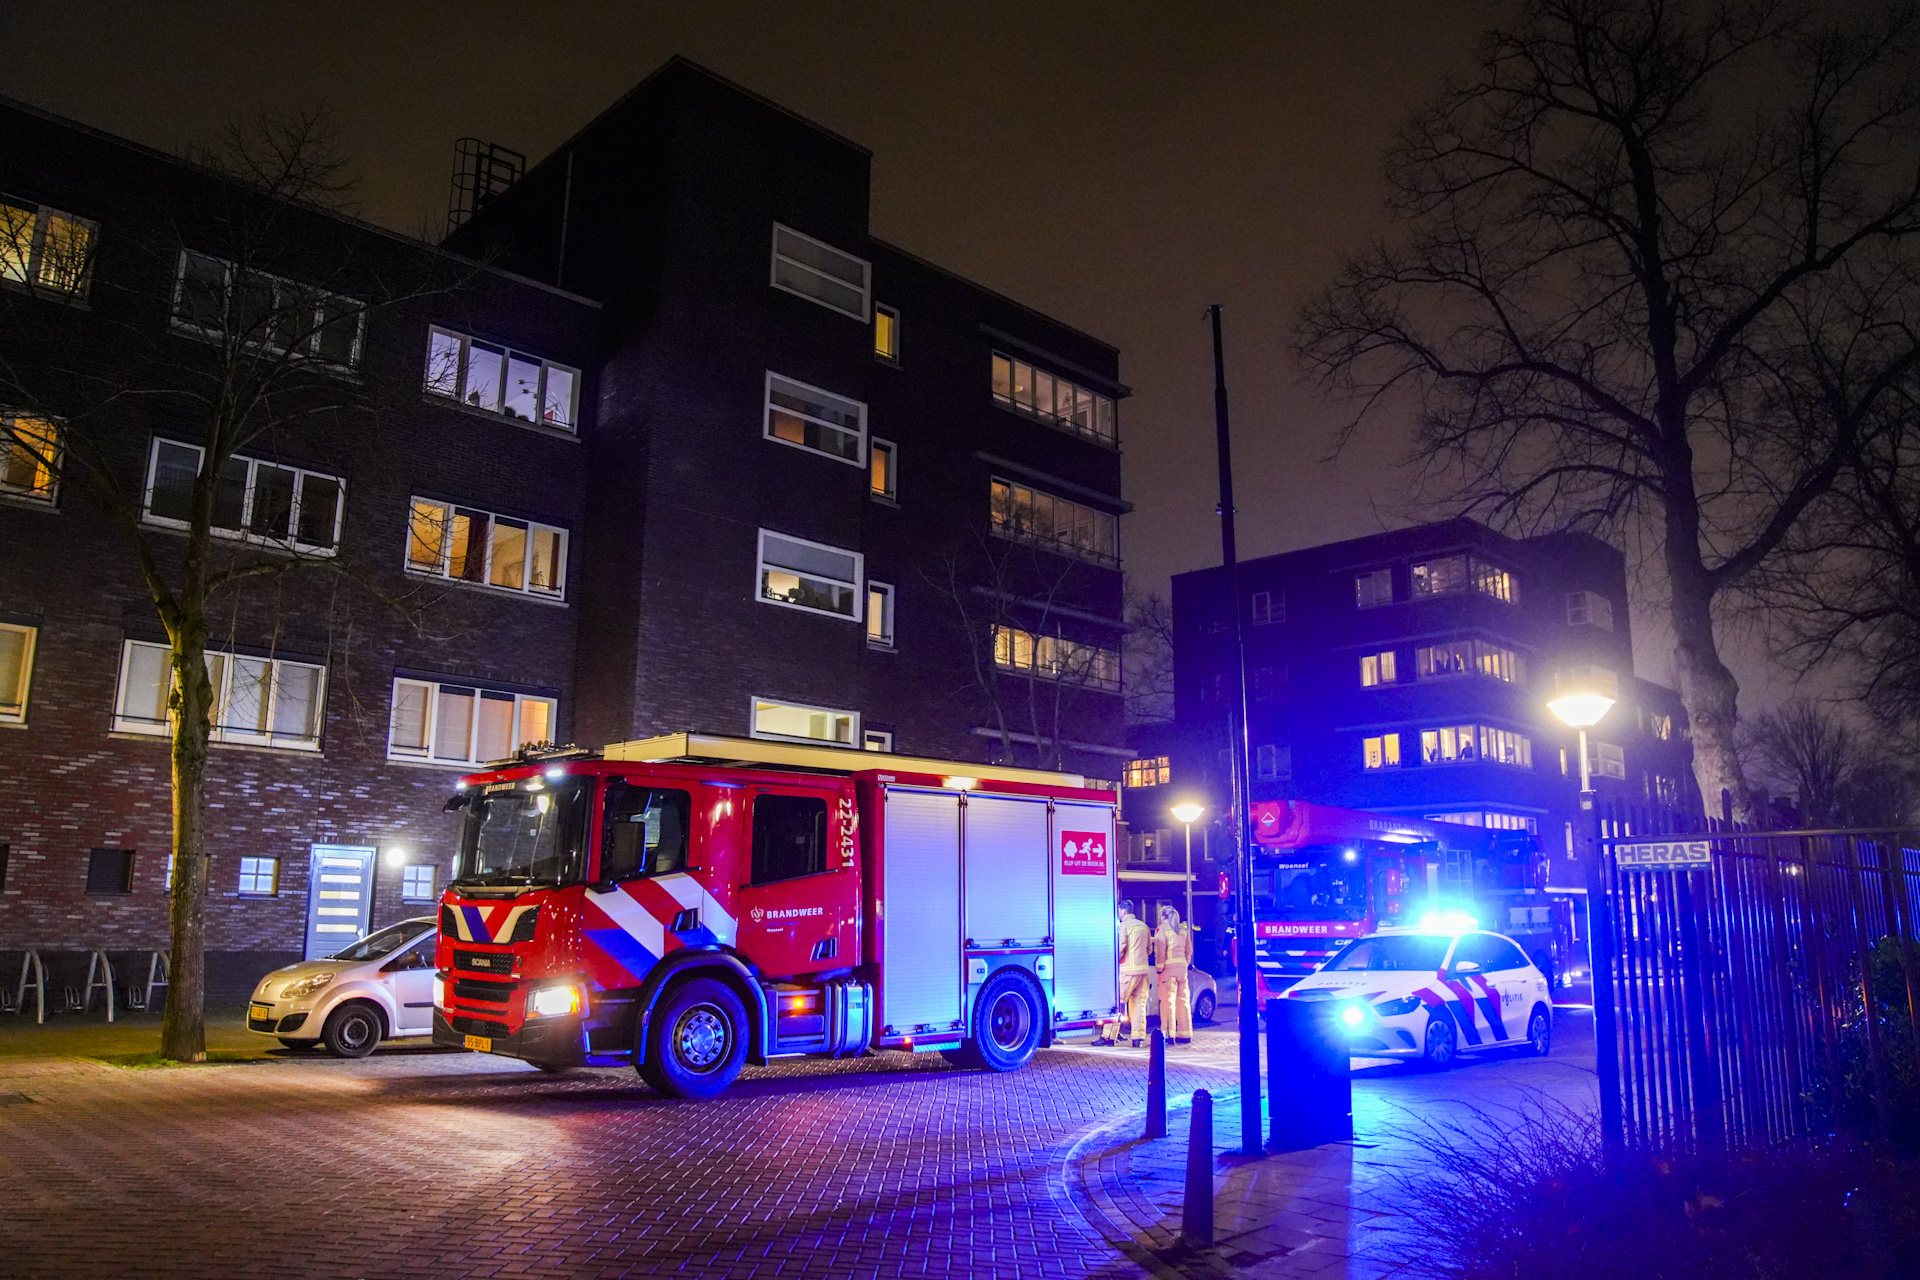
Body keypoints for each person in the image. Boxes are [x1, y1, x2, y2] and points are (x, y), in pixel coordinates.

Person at [1093, 901, 1154, 1047]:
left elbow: (1120, 949)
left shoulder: (1124, 926)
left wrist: (1112, 963)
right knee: (1139, 1004)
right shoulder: (1144, 926)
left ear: (1124, 912)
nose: (1118, 914)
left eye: (1119, 911)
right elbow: (1149, 950)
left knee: (1117, 1003)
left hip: (1127, 971)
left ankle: (1108, 1037)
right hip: (1143, 971)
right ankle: (1137, 1038)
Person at [1155, 904, 1194, 1045]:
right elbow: (1189, 951)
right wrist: (1185, 963)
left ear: (1164, 917)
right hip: (1182, 970)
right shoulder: (1183, 931)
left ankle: (1168, 1033)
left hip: (1168, 970)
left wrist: (1159, 968)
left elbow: (1160, 951)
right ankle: (1185, 1034)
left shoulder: (1162, 930)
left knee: (1167, 1002)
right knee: (1183, 1001)